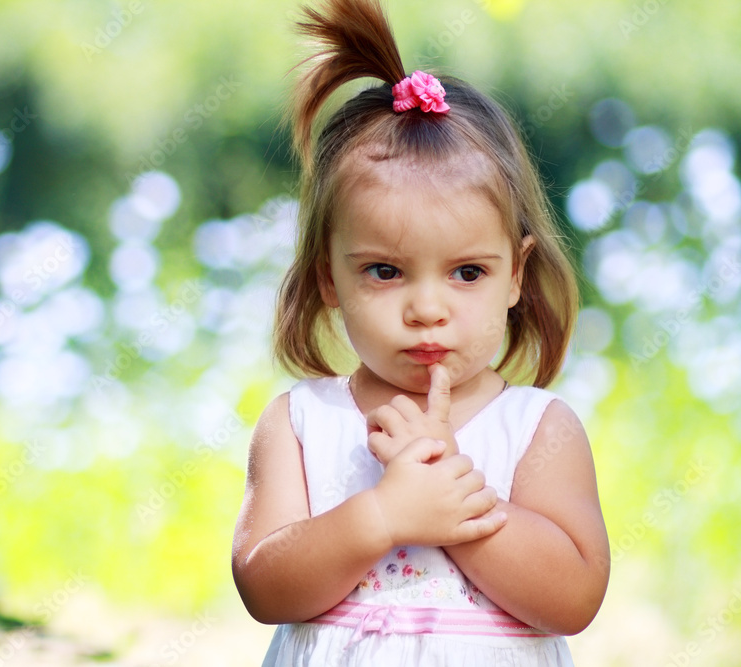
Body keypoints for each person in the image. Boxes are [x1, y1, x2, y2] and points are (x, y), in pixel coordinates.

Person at [231, 0, 610, 664]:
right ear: (328, 279)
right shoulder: (300, 422)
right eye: (385, 270)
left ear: (516, 275)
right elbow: (264, 585)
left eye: (467, 271)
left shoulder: (538, 428)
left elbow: (573, 596)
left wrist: (451, 495)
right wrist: (383, 515)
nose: (427, 308)